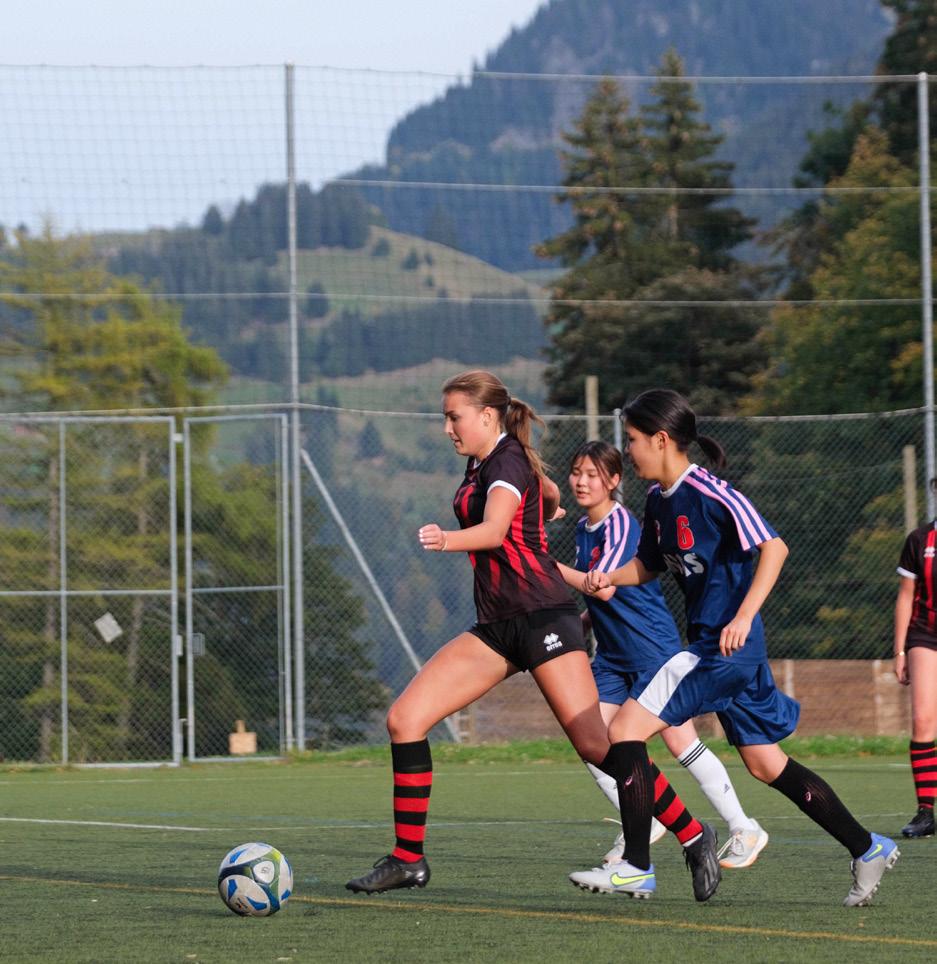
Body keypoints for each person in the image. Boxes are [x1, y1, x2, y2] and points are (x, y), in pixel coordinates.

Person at [345, 371, 720, 901]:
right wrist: (544, 505)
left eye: (454, 417)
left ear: (486, 416)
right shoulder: (487, 463)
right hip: (497, 626)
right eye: (446, 418)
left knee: (597, 744)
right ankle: (408, 859)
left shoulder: (506, 461)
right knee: (405, 720)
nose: (447, 428)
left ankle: (694, 833)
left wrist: (448, 539)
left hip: (544, 618)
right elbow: (538, 494)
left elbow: (495, 530)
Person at [570, 389, 899, 907]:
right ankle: (867, 846)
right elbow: (648, 566)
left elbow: (775, 547)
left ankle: (635, 866)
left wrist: (744, 616)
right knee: (767, 765)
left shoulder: (710, 491)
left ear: (661, 439)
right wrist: (606, 577)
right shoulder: (657, 501)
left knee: (624, 730)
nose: (627, 451)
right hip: (720, 648)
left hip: (725, 650)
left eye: (632, 440)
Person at [556, 440, 768, 872]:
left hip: (650, 649)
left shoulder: (621, 523)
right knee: (589, 738)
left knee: (679, 741)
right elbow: (601, 596)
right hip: (612, 656)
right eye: (576, 472)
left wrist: (541, 563)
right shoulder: (583, 528)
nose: (581, 481)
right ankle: (644, 817)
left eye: (593, 474)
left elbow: (606, 584)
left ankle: (743, 826)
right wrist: (584, 623)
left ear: (614, 481)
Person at [894, 509, 937, 838]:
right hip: (925, 635)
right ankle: (925, 813)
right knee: (923, 719)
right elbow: (906, 596)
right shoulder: (920, 539)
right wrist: (900, 650)